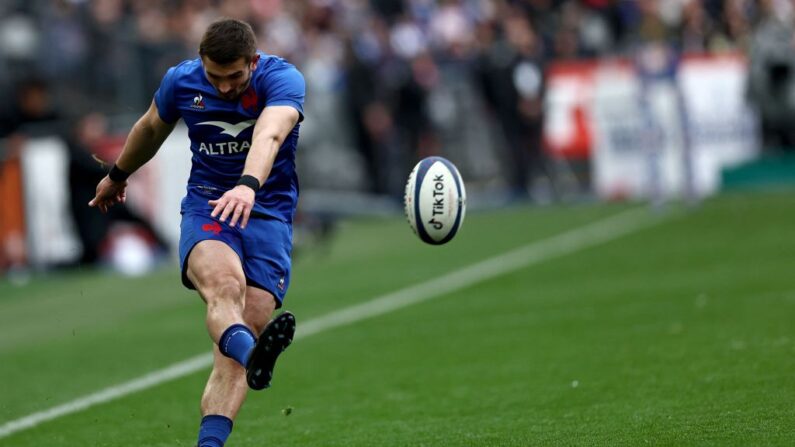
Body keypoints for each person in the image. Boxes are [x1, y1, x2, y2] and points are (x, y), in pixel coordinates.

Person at [89, 18, 305, 447]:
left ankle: (214, 434)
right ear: (201, 63)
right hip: (208, 207)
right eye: (215, 77)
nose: (224, 87)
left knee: (246, 329)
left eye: (235, 77)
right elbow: (151, 126)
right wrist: (117, 174)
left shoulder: (282, 78)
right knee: (226, 289)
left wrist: (247, 185)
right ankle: (253, 355)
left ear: (254, 62)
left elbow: (271, 132)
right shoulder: (181, 81)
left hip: (267, 212)